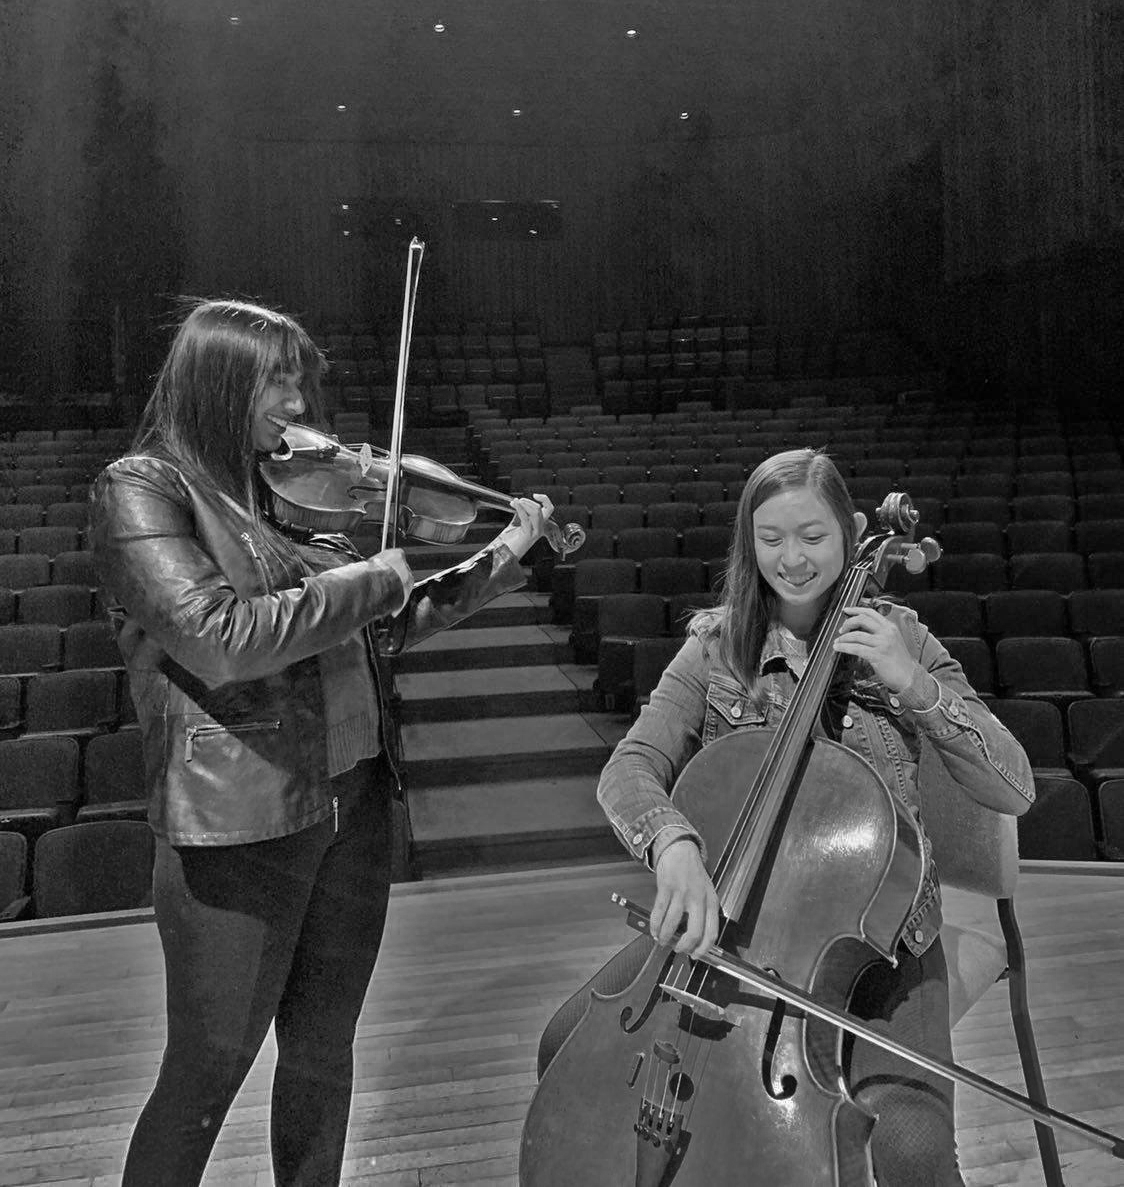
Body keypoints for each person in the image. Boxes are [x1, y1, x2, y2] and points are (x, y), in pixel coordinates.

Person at [90, 297, 554, 1187]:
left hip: (355, 803)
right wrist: (370, 579)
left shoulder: (286, 496)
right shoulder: (143, 489)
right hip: (240, 826)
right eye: (277, 380)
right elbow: (221, 638)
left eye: (300, 380)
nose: (297, 403)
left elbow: (373, 625)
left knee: (322, 1054)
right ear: (218, 381)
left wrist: (502, 559)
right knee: (206, 1073)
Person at [596, 448, 1035, 1187]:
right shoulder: (714, 645)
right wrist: (672, 846)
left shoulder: (903, 638)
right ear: (748, 542)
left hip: (883, 944)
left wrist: (912, 684)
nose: (791, 559)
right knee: (566, 1046)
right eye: (771, 539)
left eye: (813, 537)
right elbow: (629, 768)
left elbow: (1014, 787)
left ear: (852, 531)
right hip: (735, 929)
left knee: (913, 1152)